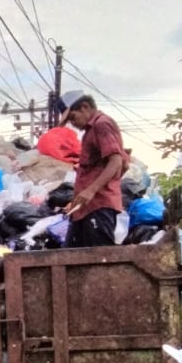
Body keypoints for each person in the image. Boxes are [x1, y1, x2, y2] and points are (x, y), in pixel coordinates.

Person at [58, 90, 126, 248]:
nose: (72, 124)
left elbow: (116, 160)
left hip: (99, 206)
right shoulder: (90, 131)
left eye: (73, 118)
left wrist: (90, 190)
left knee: (97, 261)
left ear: (84, 107)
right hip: (86, 208)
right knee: (74, 258)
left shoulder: (102, 124)